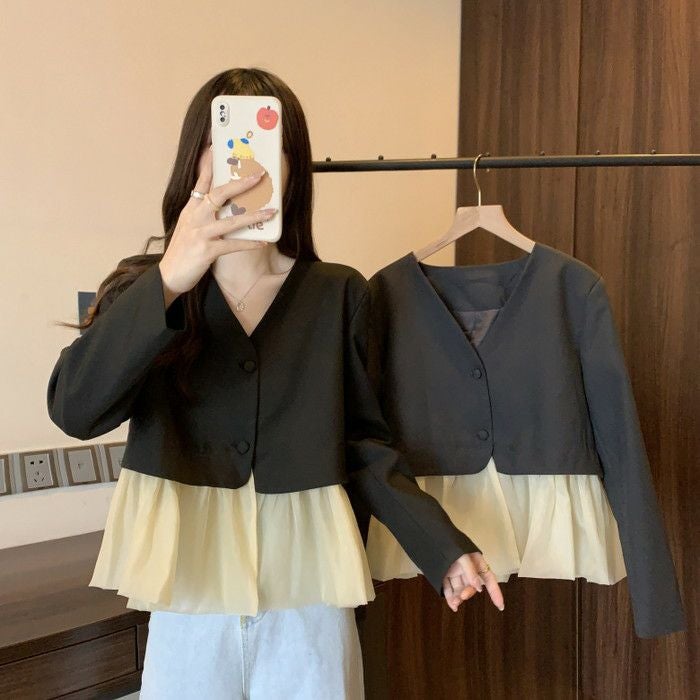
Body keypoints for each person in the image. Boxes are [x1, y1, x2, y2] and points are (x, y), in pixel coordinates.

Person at [47, 67, 504, 699]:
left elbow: (364, 445)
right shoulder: (148, 290)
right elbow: (74, 409)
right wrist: (172, 277)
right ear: (194, 162)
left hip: (308, 593)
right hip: (189, 586)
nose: (245, 162)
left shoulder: (338, 294)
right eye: (224, 140)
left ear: (294, 168)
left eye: (268, 144)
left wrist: (441, 545)